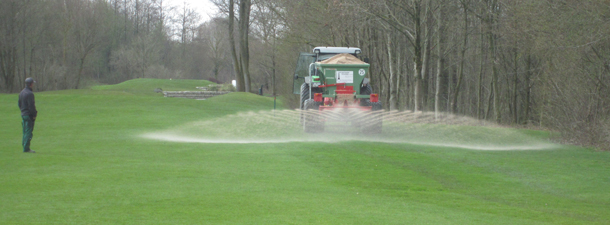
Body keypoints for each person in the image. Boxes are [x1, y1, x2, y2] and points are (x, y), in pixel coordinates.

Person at [19, 78, 37, 153]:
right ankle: (26, 148)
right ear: (30, 84)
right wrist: (34, 114)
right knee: (29, 132)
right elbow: (31, 106)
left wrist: (22, 111)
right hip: (28, 115)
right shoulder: (30, 94)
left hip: (23, 114)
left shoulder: (22, 92)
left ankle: (24, 145)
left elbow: (19, 104)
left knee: (24, 131)